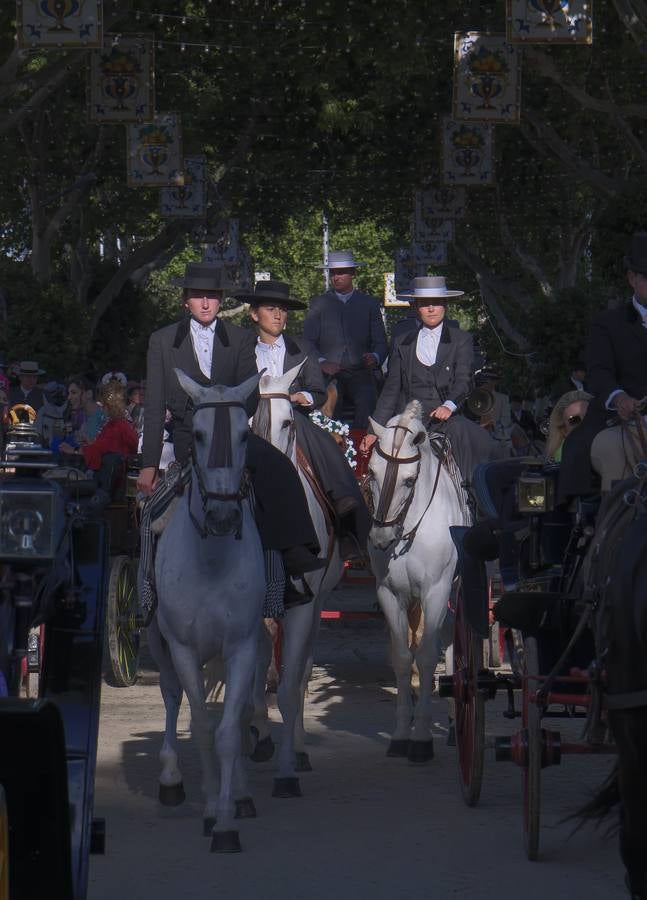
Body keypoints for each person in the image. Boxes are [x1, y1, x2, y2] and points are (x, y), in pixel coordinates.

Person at [138, 262, 324, 581]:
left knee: (279, 467)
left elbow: (251, 394)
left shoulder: (239, 338)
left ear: (220, 299)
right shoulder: (162, 340)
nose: (206, 303)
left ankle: (293, 553)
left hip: (234, 435)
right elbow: (154, 404)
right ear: (186, 300)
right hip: (188, 437)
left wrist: (225, 406)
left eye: (211, 296)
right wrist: (148, 463)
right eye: (198, 296)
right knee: (151, 505)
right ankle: (149, 580)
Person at [240, 279, 369, 554]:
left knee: (319, 439)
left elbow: (318, 391)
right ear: (254, 314)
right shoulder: (242, 349)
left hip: (294, 414)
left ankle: (342, 501)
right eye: (271, 308)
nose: (278, 315)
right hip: (251, 418)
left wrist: (302, 398)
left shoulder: (303, 348)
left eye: (283, 310)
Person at [360, 276, 505, 483]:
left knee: (461, 433)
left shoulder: (461, 339)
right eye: (425, 304)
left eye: (436, 303)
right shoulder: (402, 342)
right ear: (416, 307)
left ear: (444, 305)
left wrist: (448, 405)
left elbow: (464, 380)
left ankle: (468, 493)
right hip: (410, 420)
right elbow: (391, 390)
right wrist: (375, 429)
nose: (431, 309)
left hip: (447, 420)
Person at [559, 232, 647, 499]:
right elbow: (599, 372)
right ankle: (612, 531)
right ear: (632, 278)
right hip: (621, 419)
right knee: (612, 449)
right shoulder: (608, 324)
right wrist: (618, 398)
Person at [303, 249, 388, 428]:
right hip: (328, 373)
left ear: (353, 273)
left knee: (368, 404)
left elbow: (381, 342)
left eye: (341, 272)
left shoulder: (369, 304)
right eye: (333, 273)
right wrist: (322, 362)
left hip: (361, 371)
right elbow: (307, 342)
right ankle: (328, 448)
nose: (336, 277)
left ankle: (362, 446)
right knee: (327, 406)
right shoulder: (319, 304)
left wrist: (375, 357)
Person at [545, 390, 592, 462]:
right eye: (574, 420)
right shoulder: (564, 457)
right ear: (563, 430)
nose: (584, 423)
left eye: (588, 416)